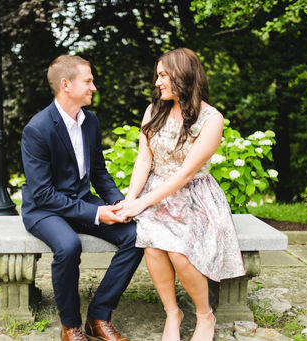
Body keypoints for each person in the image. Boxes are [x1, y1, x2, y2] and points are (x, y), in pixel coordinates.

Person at [117, 48, 246, 341]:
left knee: (178, 251)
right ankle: (173, 313)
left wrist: (141, 203)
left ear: (183, 75)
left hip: (195, 197)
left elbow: (186, 173)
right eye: (157, 76)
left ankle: (204, 315)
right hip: (156, 193)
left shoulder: (211, 118)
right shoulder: (154, 110)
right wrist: (130, 199)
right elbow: (143, 159)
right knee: (152, 245)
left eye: (163, 75)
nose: (158, 82)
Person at [21, 55, 143, 341]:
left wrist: (119, 203)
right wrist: (96, 214)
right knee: (68, 246)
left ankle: (99, 317)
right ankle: (71, 327)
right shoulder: (37, 129)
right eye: (88, 81)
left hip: (82, 201)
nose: (94, 87)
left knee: (136, 235)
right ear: (66, 84)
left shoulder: (90, 122)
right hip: (44, 209)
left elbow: (99, 172)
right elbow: (42, 193)